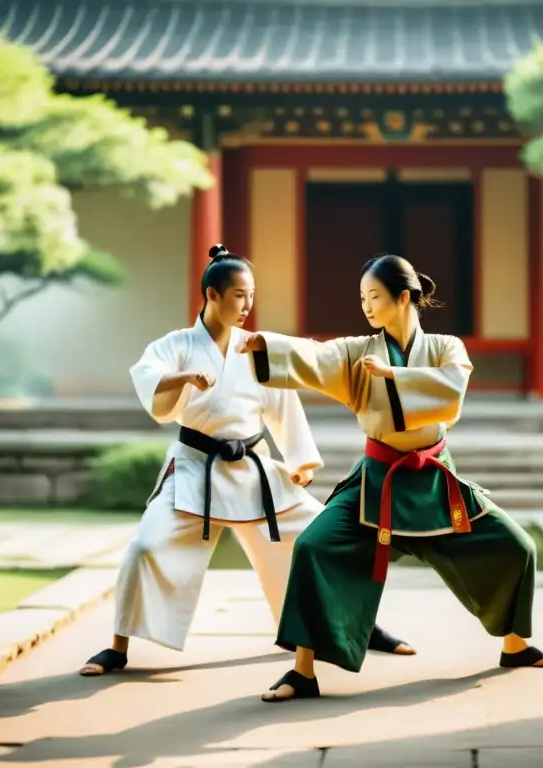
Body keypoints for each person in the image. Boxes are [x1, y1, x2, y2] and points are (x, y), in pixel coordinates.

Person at [236, 253, 543, 702]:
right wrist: (266, 345)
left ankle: (514, 645)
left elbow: (449, 394)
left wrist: (394, 376)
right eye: (362, 299)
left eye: (374, 296)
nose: (367, 307)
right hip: (377, 482)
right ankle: (303, 671)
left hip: (433, 481)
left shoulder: (447, 347)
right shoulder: (358, 350)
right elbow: (315, 354)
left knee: (515, 546)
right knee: (314, 548)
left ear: (404, 297)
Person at [80, 245, 412, 676]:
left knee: (326, 537)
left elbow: (282, 402)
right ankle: (118, 647)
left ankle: (362, 625)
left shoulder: (254, 348)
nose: (247, 305)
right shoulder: (176, 345)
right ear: (212, 295)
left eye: (251, 295)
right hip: (196, 468)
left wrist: (299, 459)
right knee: (146, 546)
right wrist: (183, 377)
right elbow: (150, 384)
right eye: (238, 295)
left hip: (254, 472)